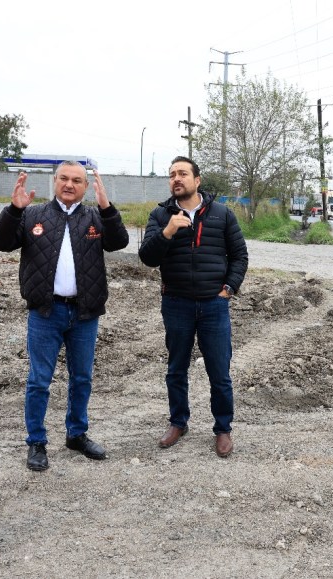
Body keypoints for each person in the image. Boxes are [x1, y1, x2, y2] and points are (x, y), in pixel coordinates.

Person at [0, 162, 129, 471]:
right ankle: (36, 441)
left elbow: (119, 242)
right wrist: (13, 209)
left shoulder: (95, 217)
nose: (69, 184)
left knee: (82, 378)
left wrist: (108, 208)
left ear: (85, 186)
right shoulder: (33, 216)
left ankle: (76, 434)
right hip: (45, 312)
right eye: (64, 178)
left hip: (84, 313)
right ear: (55, 181)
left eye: (77, 180)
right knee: (39, 380)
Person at [138, 156, 248, 458]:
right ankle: (178, 422)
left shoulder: (222, 215)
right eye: (172, 174)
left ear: (197, 180)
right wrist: (168, 232)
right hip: (176, 303)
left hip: (214, 304)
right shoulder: (160, 216)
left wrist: (230, 287)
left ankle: (223, 428)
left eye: (183, 173)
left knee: (219, 372)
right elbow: (147, 258)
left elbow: (239, 255)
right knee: (176, 369)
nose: (177, 178)